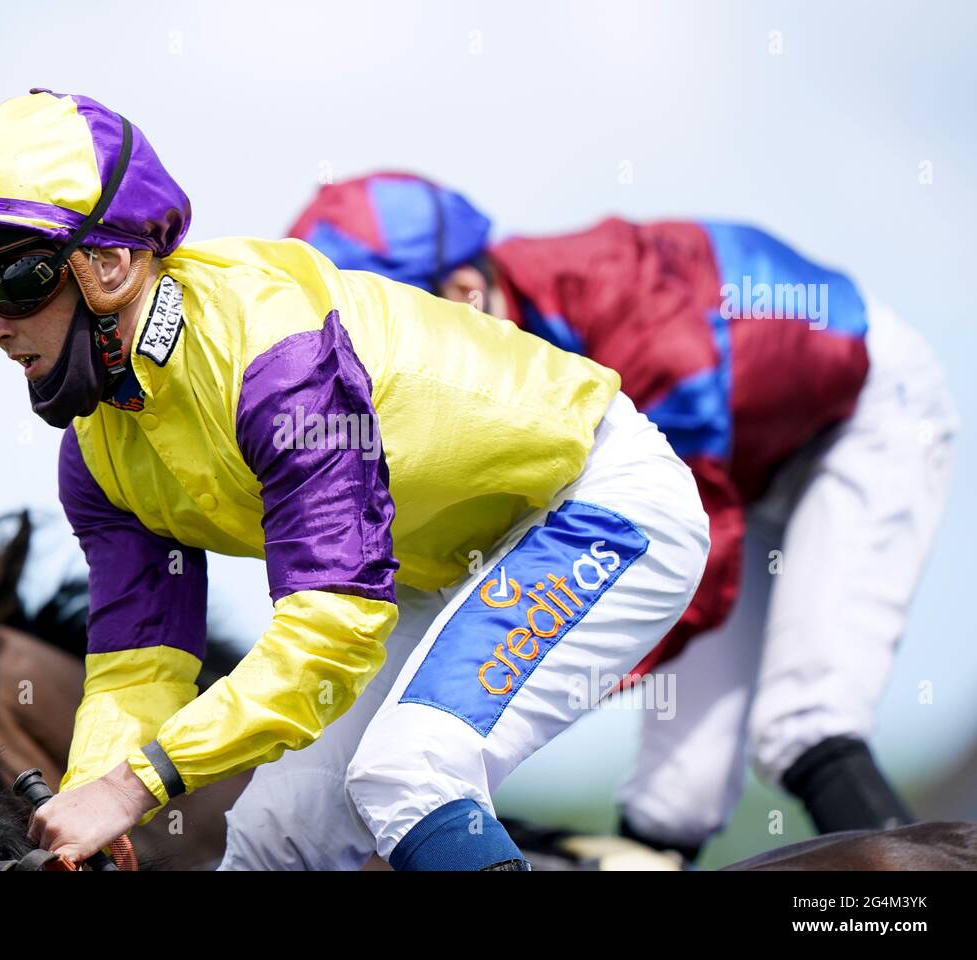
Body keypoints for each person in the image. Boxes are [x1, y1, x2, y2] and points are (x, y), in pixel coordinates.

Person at [0, 91, 709, 870]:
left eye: (10, 283)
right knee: (274, 833)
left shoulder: (279, 362)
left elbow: (332, 626)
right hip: (442, 572)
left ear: (112, 266)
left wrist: (136, 785)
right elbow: (140, 659)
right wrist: (98, 793)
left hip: (596, 504)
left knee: (408, 771)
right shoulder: (98, 448)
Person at [289, 171, 958, 859]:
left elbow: (690, 550)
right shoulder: (501, 332)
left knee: (806, 724)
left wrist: (520, 676)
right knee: (675, 800)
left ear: (464, 294)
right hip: (734, 469)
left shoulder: (638, 326)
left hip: (861, 419)